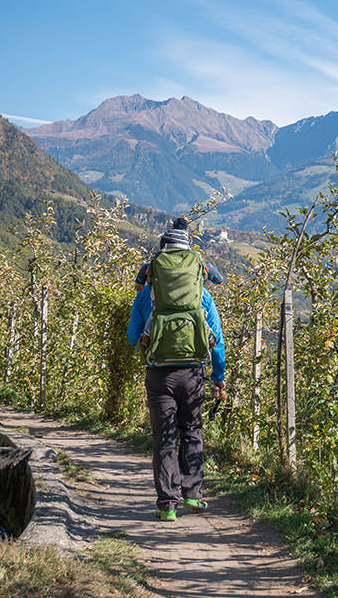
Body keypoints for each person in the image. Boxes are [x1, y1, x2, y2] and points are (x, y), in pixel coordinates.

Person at [126, 221, 226, 522]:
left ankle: (167, 504)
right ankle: (193, 495)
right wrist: (218, 377)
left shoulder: (147, 295)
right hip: (193, 373)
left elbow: (132, 336)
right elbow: (217, 342)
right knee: (192, 431)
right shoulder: (202, 298)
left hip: (159, 374)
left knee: (164, 438)